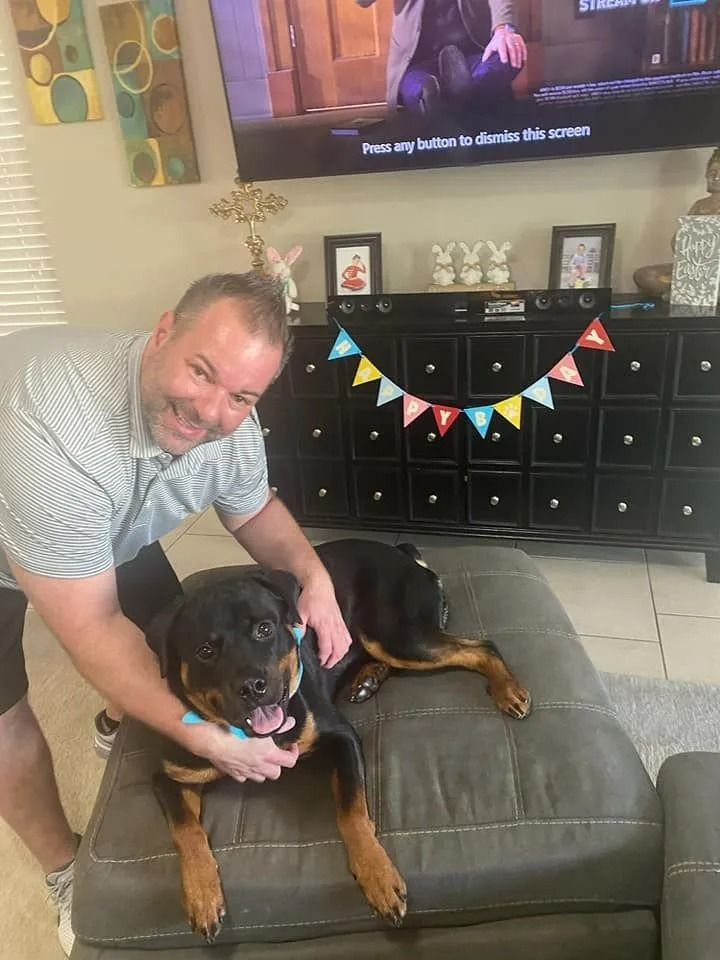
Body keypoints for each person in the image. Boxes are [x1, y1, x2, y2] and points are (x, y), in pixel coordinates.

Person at [0, 272, 352, 956]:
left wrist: (316, 579)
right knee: (4, 714)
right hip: (27, 496)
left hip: (99, 517)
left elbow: (252, 508)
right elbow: (91, 627)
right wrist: (206, 736)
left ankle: (116, 717)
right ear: (163, 332)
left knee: (173, 641)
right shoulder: (50, 430)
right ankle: (64, 869)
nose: (212, 411)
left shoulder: (227, 423)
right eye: (202, 371)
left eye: (241, 396)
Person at [358, 0, 527, 117]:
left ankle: (457, 95)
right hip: (418, 62)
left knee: (509, 52)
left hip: (473, 56)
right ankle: (458, 95)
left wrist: (503, 29)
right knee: (421, 87)